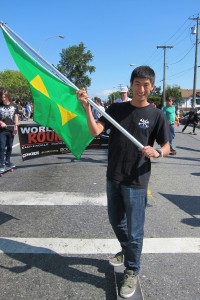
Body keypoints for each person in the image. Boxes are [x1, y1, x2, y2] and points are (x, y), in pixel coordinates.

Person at [76, 65, 170, 299]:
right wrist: (86, 107)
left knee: (135, 230)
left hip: (137, 179)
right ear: (130, 84)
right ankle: (127, 251)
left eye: (146, 84)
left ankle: (132, 269)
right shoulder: (116, 109)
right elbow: (95, 131)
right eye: (137, 83)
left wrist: (158, 153)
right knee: (116, 221)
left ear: (152, 87)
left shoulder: (156, 115)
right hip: (113, 176)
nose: (141, 88)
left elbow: (167, 146)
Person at [0, 89, 19, 172]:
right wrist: (1, 122)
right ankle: (2, 163)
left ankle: (7, 161)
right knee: (1, 147)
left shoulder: (14, 106)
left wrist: (16, 127)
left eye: (4, 97)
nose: (3, 98)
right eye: (2, 97)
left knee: (10, 147)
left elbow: (16, 116)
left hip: (11, 129)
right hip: (1, 130)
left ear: (8, 96)